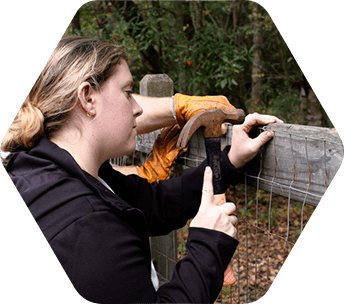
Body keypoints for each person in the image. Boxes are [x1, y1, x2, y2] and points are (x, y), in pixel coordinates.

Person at [1, 36, 283, 303]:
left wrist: (231, 159)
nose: (137, 108)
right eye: (126, 93)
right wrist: (208, 244)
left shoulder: (56, 168)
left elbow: (155, 203)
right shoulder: (88, 229)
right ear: (87, 98)